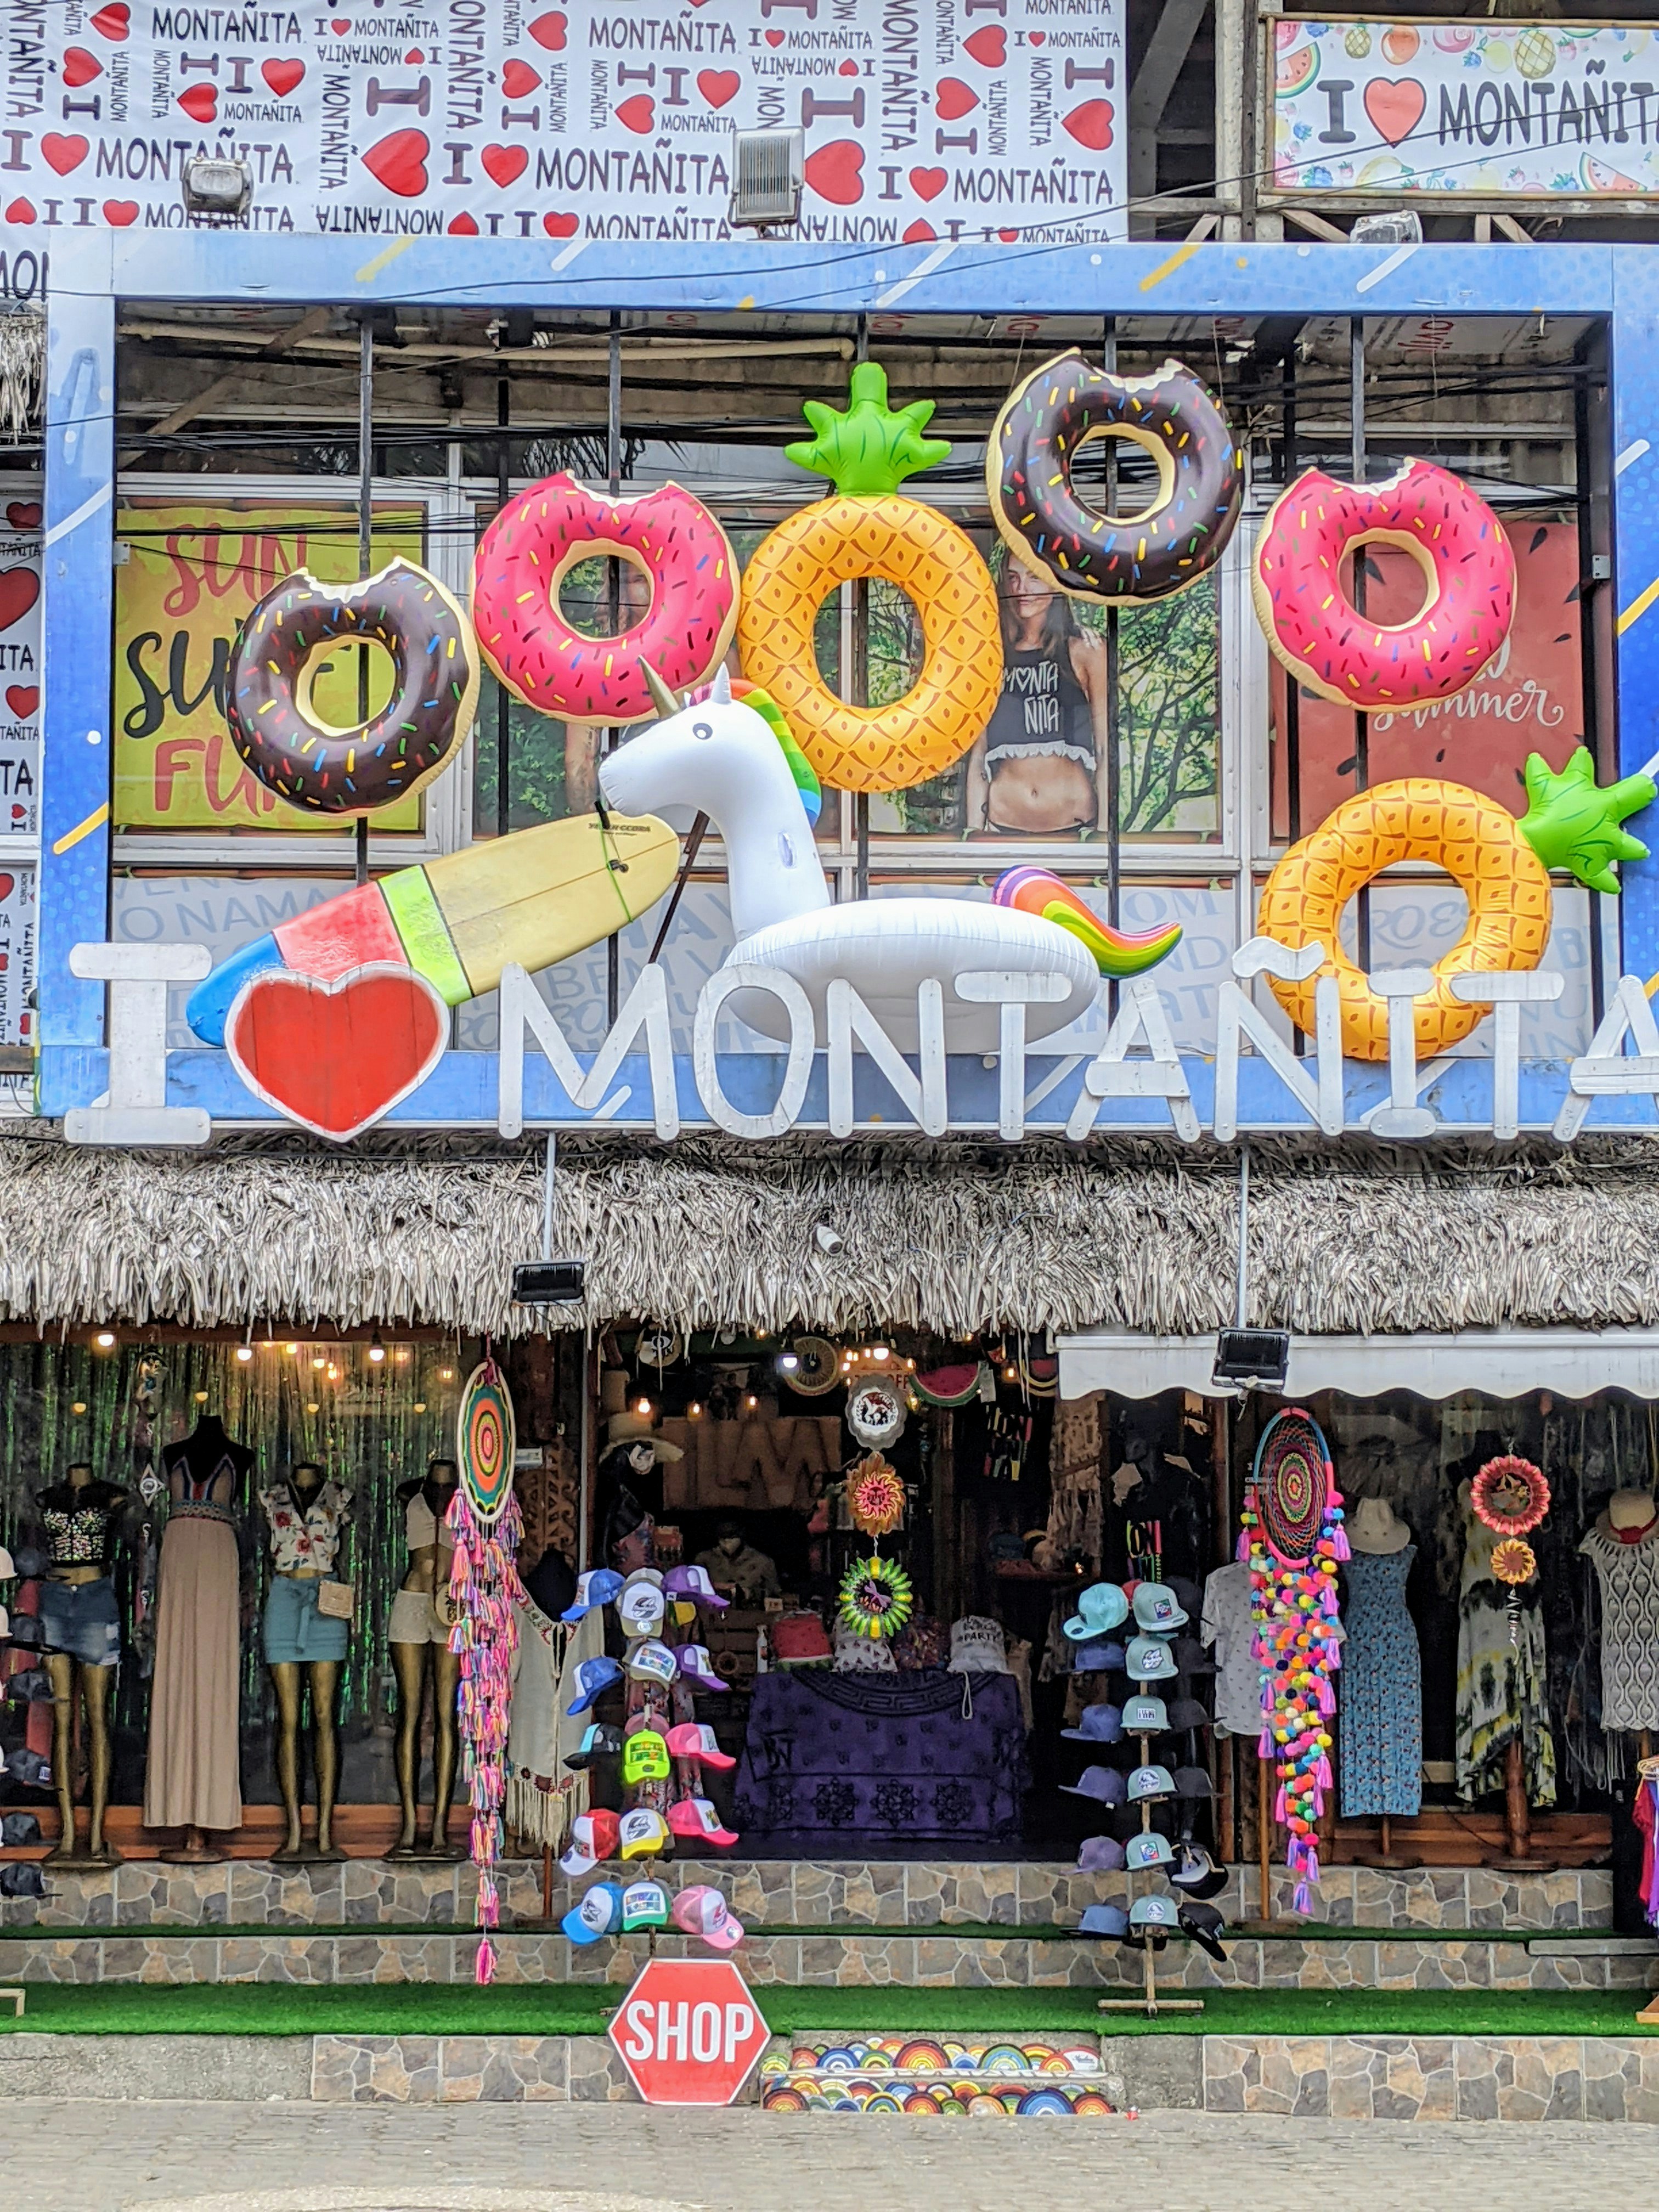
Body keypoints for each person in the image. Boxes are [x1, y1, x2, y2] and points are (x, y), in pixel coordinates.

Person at [964, 555, 1112, 834]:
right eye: (1013, 578)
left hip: (1073, 827)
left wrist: (1105, 835)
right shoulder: (991, 655)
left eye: (1034, 577)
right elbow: (979, 756)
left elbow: (1106, 748)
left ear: (1056, 582)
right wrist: (974, 833)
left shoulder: (1085, 650)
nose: (1022, 589)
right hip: (1003, 824)